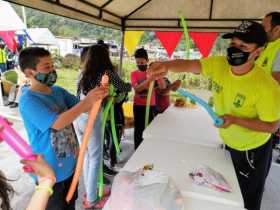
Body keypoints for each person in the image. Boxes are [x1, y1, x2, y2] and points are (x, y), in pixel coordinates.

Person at [147, 21, 280, 210]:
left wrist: (234, 120)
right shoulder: (219, 64)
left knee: (247, 199)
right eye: (233, 44)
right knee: (228, 193)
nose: (235, 50)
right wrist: (166, 66)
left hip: (251, 150)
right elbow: (189, 64)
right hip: (228, 144)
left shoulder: (266, 86)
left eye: (243, 46)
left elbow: (271, 126)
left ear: (257, 52)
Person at [18, 47, 108, 210]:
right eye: (47, 67)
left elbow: (84, 108)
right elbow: (58, 123)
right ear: (29, 73)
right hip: (50, 172)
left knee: (69, 203)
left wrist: (97, 96)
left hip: (69, 166)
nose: (53, 70)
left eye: (52, 65)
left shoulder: (58, 91)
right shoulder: (29, 101)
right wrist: (86, 102)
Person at [76, 44, 131, 209]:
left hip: (79, 116)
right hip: (93, 118)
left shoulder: (83, 73)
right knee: (94, 159)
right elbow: (125, 87)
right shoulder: (107, 73)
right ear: (105, 57)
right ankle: (92, 200)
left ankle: (89, 192)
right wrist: (124, 87)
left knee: (87, 157)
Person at [131, 48, 165, 149]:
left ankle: (147, 149)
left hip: (151, 105)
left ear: (147, 61)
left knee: (149, 129)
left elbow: (163, 87)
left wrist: (158, 75)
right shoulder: (134, 74)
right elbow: (137, 89)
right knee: (138, 129)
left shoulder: (153, 73)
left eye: (142, 62)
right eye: (138, 62)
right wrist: (148, 80)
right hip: (138, 106)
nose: (140, 64)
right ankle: (137, 149)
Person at [256, 12, 280, 82]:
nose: (260, 31)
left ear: (277, 29)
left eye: (263, 27)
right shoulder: (265, 45)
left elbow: (277, 83)